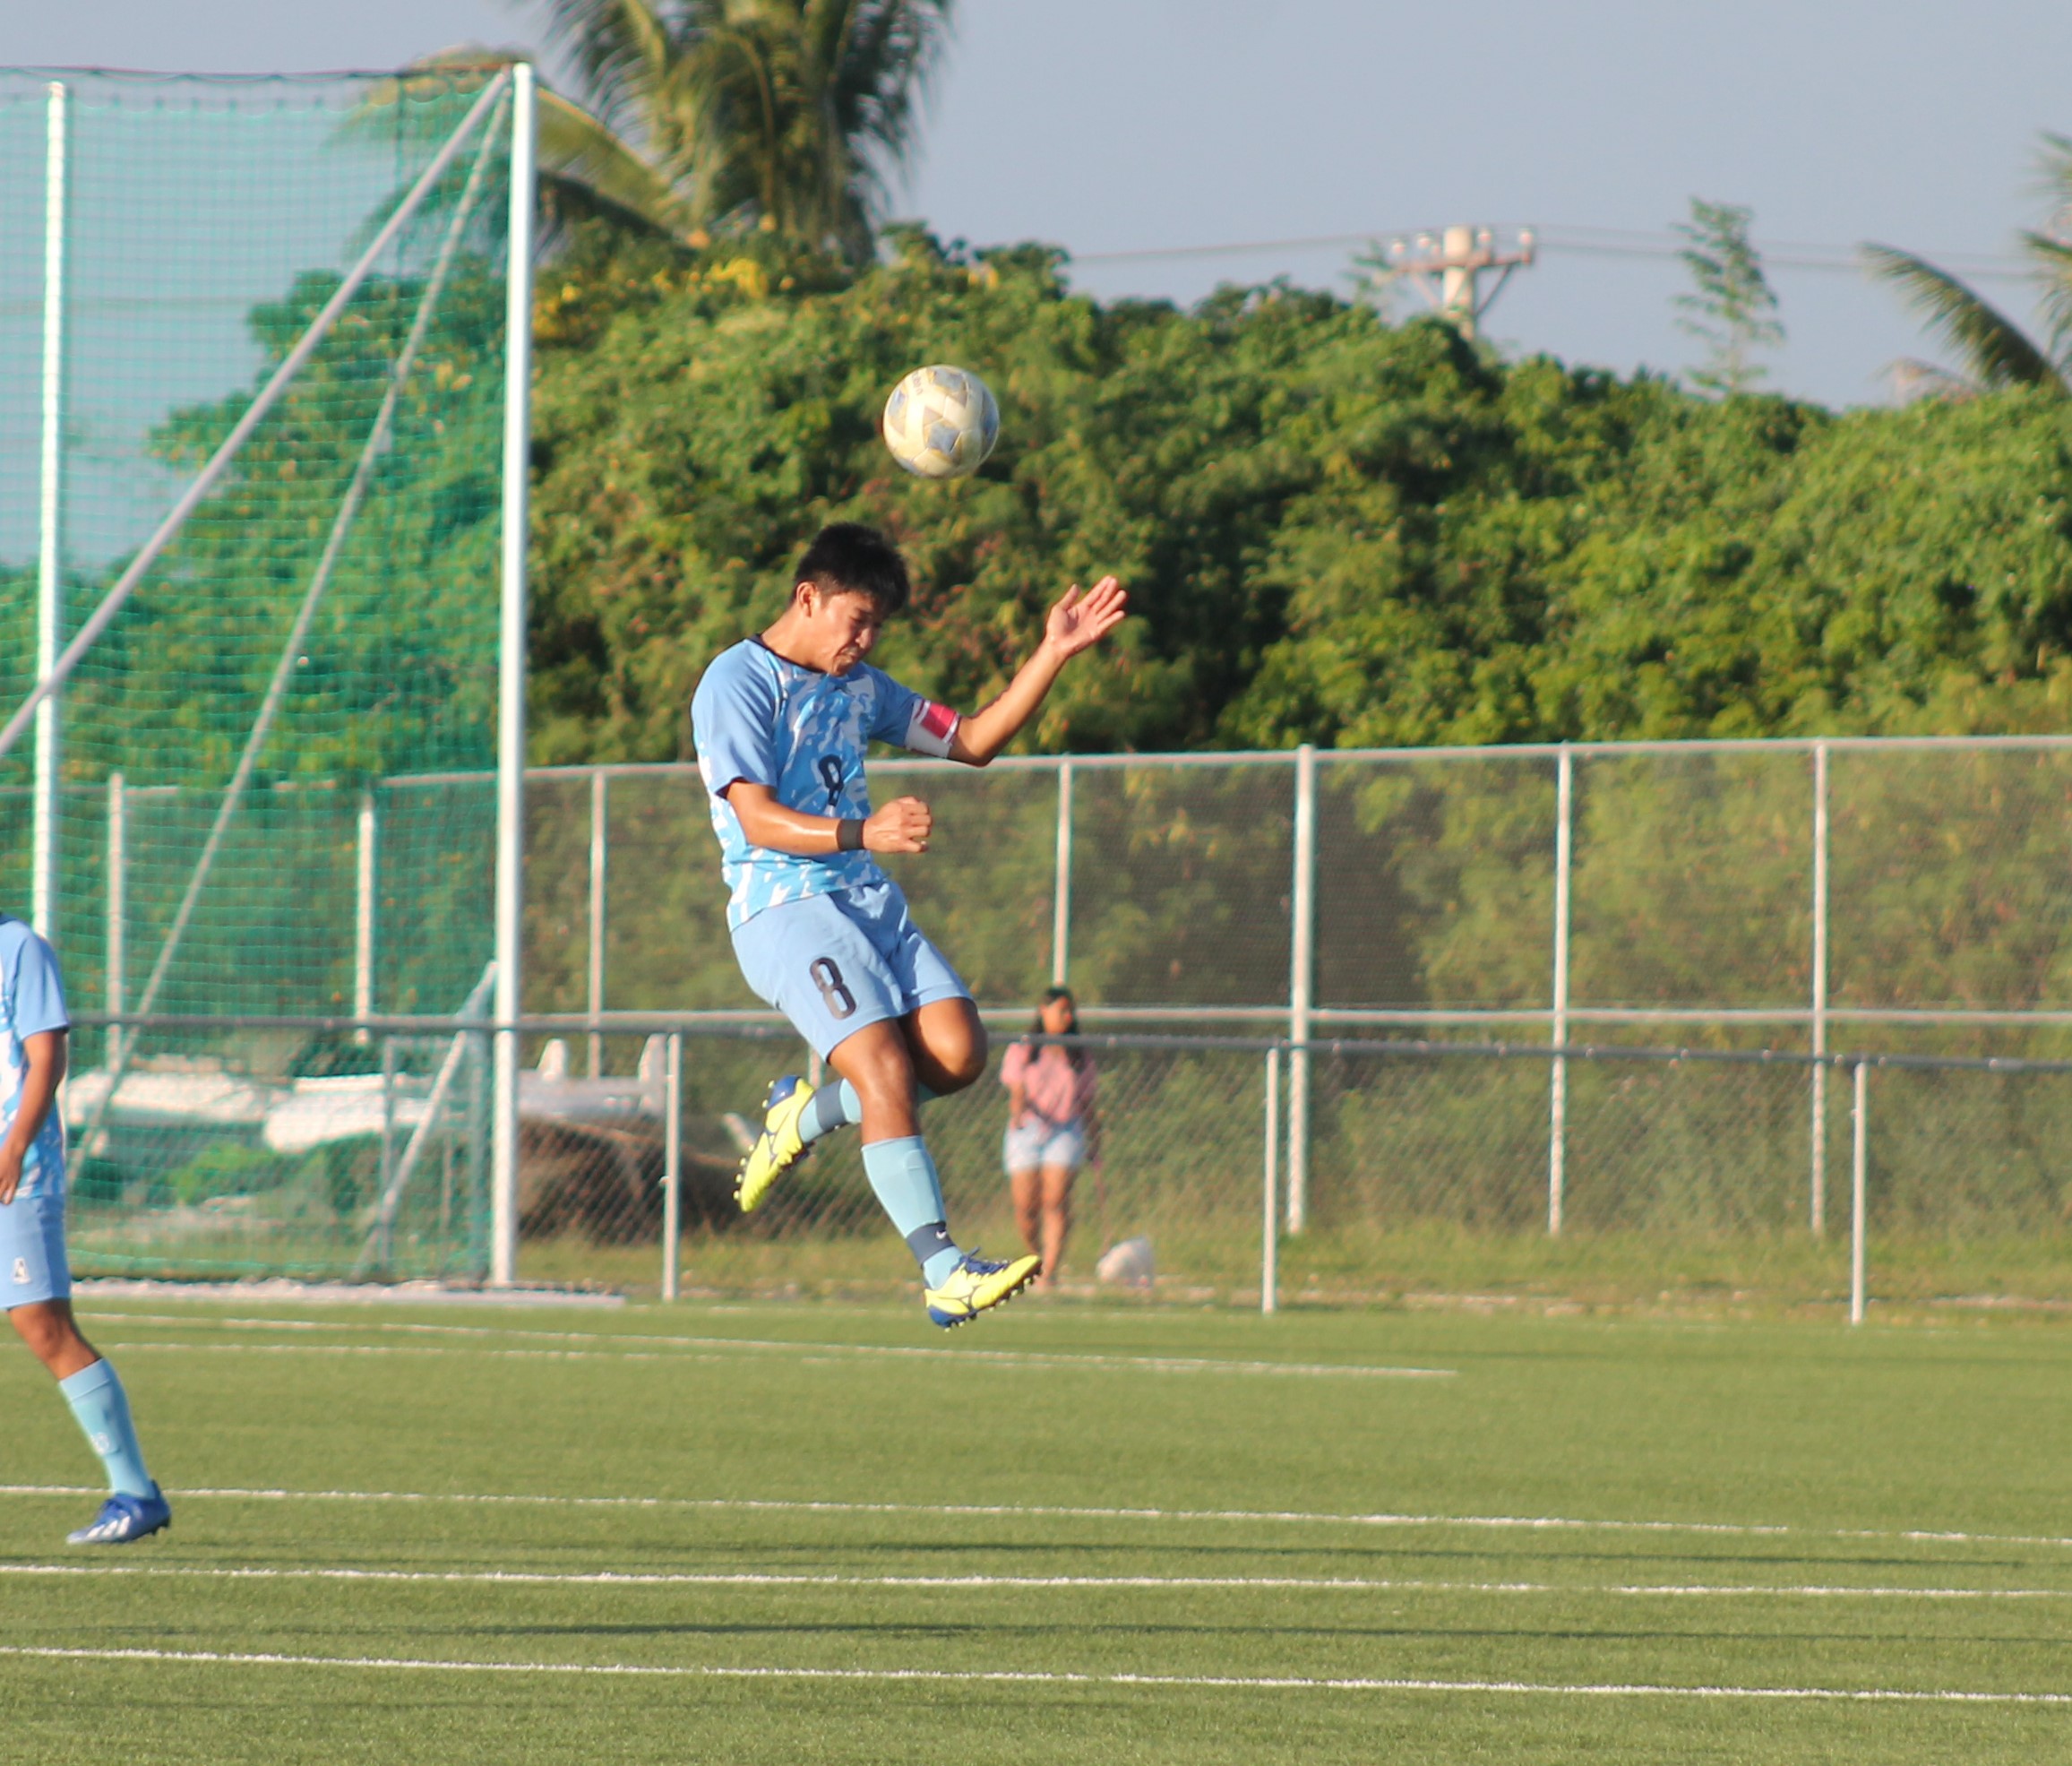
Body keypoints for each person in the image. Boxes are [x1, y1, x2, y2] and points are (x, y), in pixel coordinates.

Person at [692, 522, 1126, 1328]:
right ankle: (943, 1269)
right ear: (806, 597)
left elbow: (972, 741)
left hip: (865, 900)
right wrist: (867, 831)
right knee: (886, 1069)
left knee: (958, 1055)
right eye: (855, 619)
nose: (864, 640)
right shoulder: (739, 680)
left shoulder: (861, 687)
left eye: (876, 627)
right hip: (784, 909)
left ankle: (806, 1116)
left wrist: (1052, 654)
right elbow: (752, 819)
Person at [0, 913, 170, 1543]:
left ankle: (135, 1492)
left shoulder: (18, 948)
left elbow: (46, 1055)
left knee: (42, 1324)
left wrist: (15, 1144)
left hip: (17, 1173)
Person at [1001, 986, 1098, 1290]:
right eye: (1061, 1011)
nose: (1066, 1017)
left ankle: (1051, 1272)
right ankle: (1035, 1256)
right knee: (1025, 1206)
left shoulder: (1078, 1055)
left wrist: (1095, 1141)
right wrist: (1019, 1111)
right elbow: (1017, 1090)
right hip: (1028, 1128)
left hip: (1064, 1129)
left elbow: (1087, 1103)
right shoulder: (1024, 1049)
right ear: (1043, 1011)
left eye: (1070, 1012)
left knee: (1055, 1201)